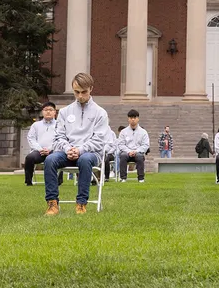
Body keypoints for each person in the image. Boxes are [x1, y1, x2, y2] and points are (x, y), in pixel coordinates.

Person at [43, 72, 109, 215]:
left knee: (85, 159)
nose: (80, 96)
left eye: (83, 92)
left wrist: (80, 150)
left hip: (90, 154)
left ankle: (81, 203)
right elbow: (58, 137)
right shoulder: (65, 112)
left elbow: (99, 140)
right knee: (49, 160)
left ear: (91, 88)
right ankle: (52, 203)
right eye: (76, 92)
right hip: (67, 152)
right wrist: (68, 149)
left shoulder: (100, 113)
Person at [118, 109, 149, 183]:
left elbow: (145, 145)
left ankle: (141, 178)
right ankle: (123, 178)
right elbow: (121, 144)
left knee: (140, 156)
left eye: (134, 117)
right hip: (127, 152)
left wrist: (136, 151)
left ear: (138, 119)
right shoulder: (123, 132)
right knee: (123, 155)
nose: (133, 119)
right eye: (131, 118)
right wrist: (129, 151)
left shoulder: (143, 132)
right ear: (128, 119)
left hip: (138, 152)